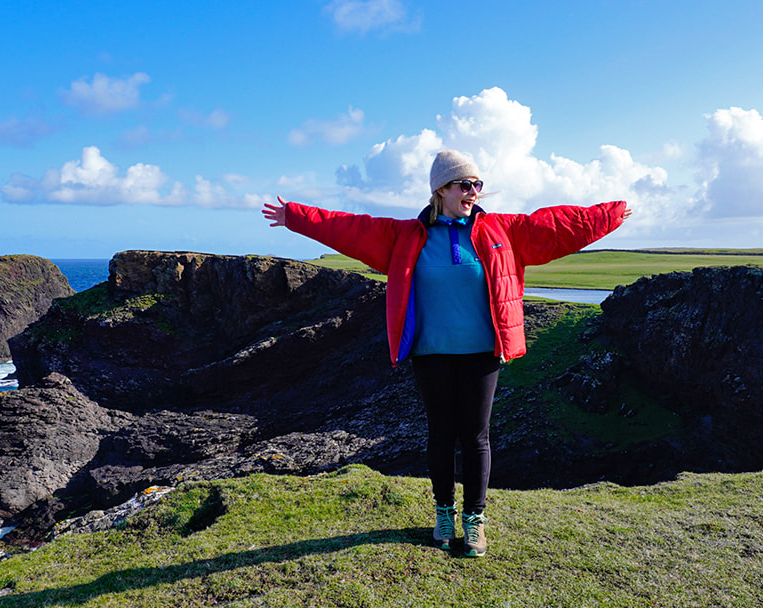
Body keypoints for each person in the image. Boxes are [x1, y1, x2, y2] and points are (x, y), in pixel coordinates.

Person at [263, 150, 632, 557]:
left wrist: (607, 215)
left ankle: (474, 521)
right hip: (431, 352)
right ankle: (443, 512)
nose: (473, 192)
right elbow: (350, 228)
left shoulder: (502, 230)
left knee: (475, 436)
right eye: (465, 184)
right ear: (441, 189)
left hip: (482, 352)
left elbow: (555, 227)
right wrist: (295, 216)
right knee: (441, 433)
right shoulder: (406, 235)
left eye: (478, 184)